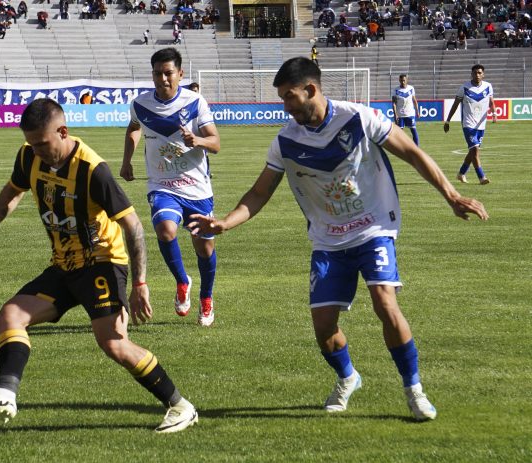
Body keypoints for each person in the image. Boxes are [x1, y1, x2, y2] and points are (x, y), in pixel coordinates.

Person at [189, 57, 489, 421]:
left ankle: (414, 390)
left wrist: (451, 195)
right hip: (328, 240)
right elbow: (259, 193)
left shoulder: (359, 118)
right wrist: (226, 223)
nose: (285, 106)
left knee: (385, 303)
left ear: (310, 89)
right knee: (323, 327)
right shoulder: (285, 141)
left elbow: (412, 153)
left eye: (289, 97)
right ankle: (348, 377)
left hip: (373, 228)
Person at [0, 98, 198, 434]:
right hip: (63, 264)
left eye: (43, 143)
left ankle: (180, 406)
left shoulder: (93, 170)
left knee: (113, 343)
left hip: (102, 264)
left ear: (63, 132)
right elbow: (12, 191)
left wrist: (140, 283)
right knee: (9, 316)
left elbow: (133, 227)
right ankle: (5, 395)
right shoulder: (28, 155)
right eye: (32, 144)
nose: (37, 151)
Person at [120, 48, 221, 327]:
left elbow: (215, 143)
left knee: (205, 250)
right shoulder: (140, 104)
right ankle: (182, 281)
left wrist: (198, 141)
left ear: (180, 74)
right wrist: (126, 161)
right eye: (157, 73)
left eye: (168, 73)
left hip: (197, 188)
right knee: (165, 230)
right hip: (162, 184)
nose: (163, 79)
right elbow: (134, 127)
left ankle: (206, 298)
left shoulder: (195, 102)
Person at [444, 64, 496, 185]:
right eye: (475, 73)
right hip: (468, 124)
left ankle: (461, 173)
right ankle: (481, 177)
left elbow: (491, 102)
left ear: (483, 74)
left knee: (472, 151)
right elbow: (455, 104)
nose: (477, 75)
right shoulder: (464, 88)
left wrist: (494, 114)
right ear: (471, 74)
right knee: (475, 150)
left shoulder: (488, 86)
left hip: (481, 125)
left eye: (479, 73)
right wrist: (448, 121)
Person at [391, 74, 420, 145]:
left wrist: (417, 111)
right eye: (401, 80)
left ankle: (417, 148)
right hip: (400, 115)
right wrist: (395, 115)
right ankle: (400, 147)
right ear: (399, 80)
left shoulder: (411, 88)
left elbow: (414, 100)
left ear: (406, 80)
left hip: (410, 114)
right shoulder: (396, 90)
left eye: (404, 80)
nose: (402, 82)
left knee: (414, 131)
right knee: (399, 133)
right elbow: (394, 103)